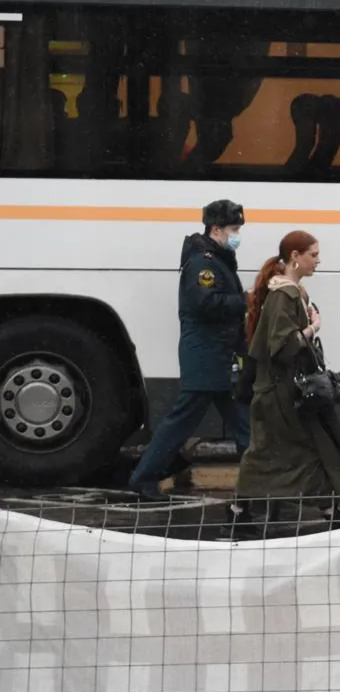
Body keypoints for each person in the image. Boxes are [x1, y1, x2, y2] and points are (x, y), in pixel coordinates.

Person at [232, 230, 340, 529]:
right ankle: (330, 511)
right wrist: (312, 328)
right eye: (313, 255)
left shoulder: (289, 293)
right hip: (281, 393)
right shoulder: (285, 295)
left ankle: (240, 509)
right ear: (295, 257)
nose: (318, 261)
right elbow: (281, 346)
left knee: (279, 452)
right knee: (303, 450)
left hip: (282, 391)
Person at [128, 199, 252, 501]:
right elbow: (206, 304)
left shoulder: (217, 258)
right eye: (234, 228)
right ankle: (144, 477)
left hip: (218, 355)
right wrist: (246, 300)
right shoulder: (204, 263)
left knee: (243, 421)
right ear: (216, 228)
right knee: (182, 422)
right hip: (206, 356)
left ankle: (261, 477)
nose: (237, 234)